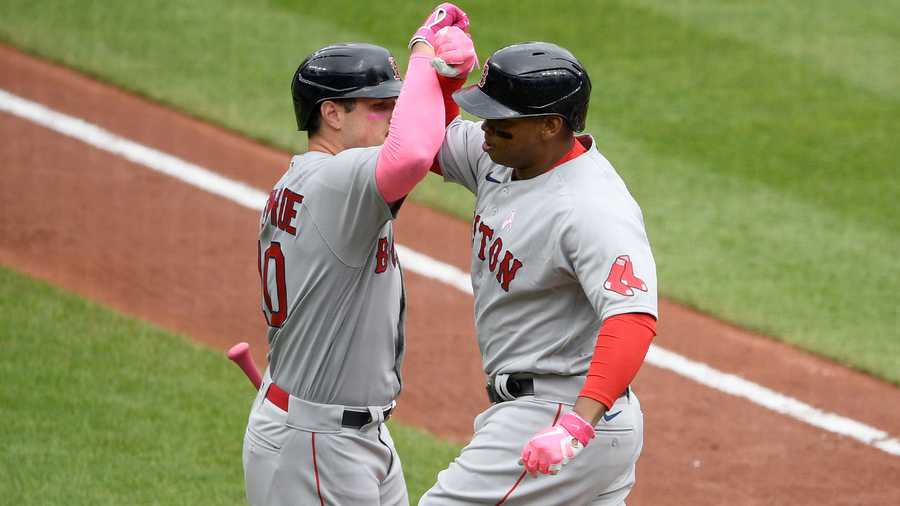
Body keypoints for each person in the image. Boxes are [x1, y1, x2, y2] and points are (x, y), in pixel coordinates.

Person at [240, 4, 474, 505]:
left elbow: (419, 142)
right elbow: (412, 154)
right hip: (319, 445)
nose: (392, 119)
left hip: (343, 434)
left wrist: (442, 90)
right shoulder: (336, 182)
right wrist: (423, 53)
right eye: (377, 108)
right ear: (331, 113)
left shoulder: (315, 178)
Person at [420, 41, 659, 505]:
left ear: (550, 126)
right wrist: (443, 80)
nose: (485, 129)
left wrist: (575, 426)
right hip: (559, 414)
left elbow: (632, 319)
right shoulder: (504, 157)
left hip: (560, 414)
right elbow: (422, 147)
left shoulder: (591, 210)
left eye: (501, 122)